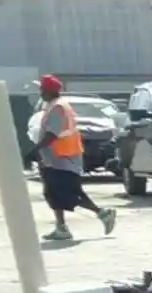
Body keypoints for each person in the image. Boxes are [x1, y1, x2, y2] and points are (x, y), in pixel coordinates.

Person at [32, 75, 115, 242]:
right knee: (53, 194)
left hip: (63, 159)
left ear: (49, 90)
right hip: (56, 159)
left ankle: (103, 213)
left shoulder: (58, 108)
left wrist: (35, 150)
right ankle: (61, 227)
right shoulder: (54, 106)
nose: (40, 92)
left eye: (41, 88)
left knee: (69, 194)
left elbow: (52, 134)